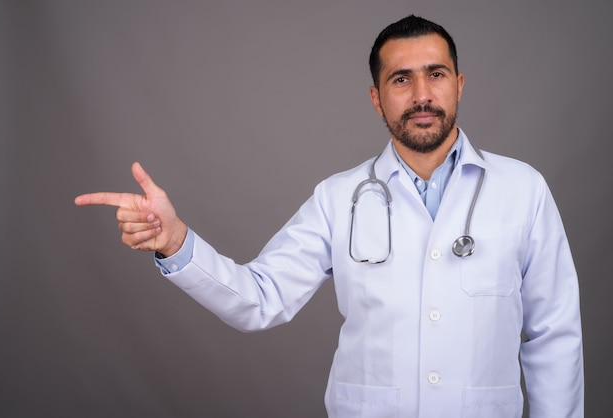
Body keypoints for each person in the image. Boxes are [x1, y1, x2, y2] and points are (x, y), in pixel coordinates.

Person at [75, 15, 584, 417]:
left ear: (460, 83)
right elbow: (260, 299)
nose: (422, 95)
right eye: (401, 79)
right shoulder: (339, 198)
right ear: (376, 98)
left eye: (437, 74)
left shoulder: (523, 190)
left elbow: (553, 334)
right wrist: (175, 240)